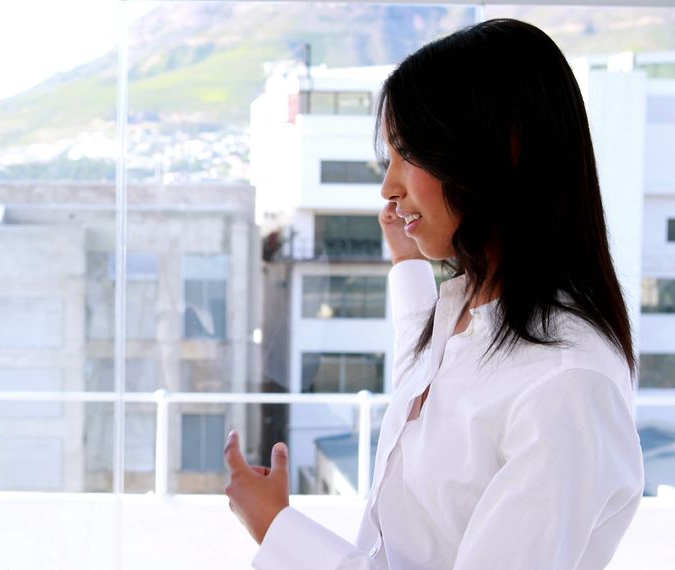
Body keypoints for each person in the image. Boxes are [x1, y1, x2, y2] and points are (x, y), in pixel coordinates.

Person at [226, 18, 644, 569]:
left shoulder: (566, 385)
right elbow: (438, 387)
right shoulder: (473, 310)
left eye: (409, 154)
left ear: (503, 149)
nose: (388, 186)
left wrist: (278, 530)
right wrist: (407, 263)